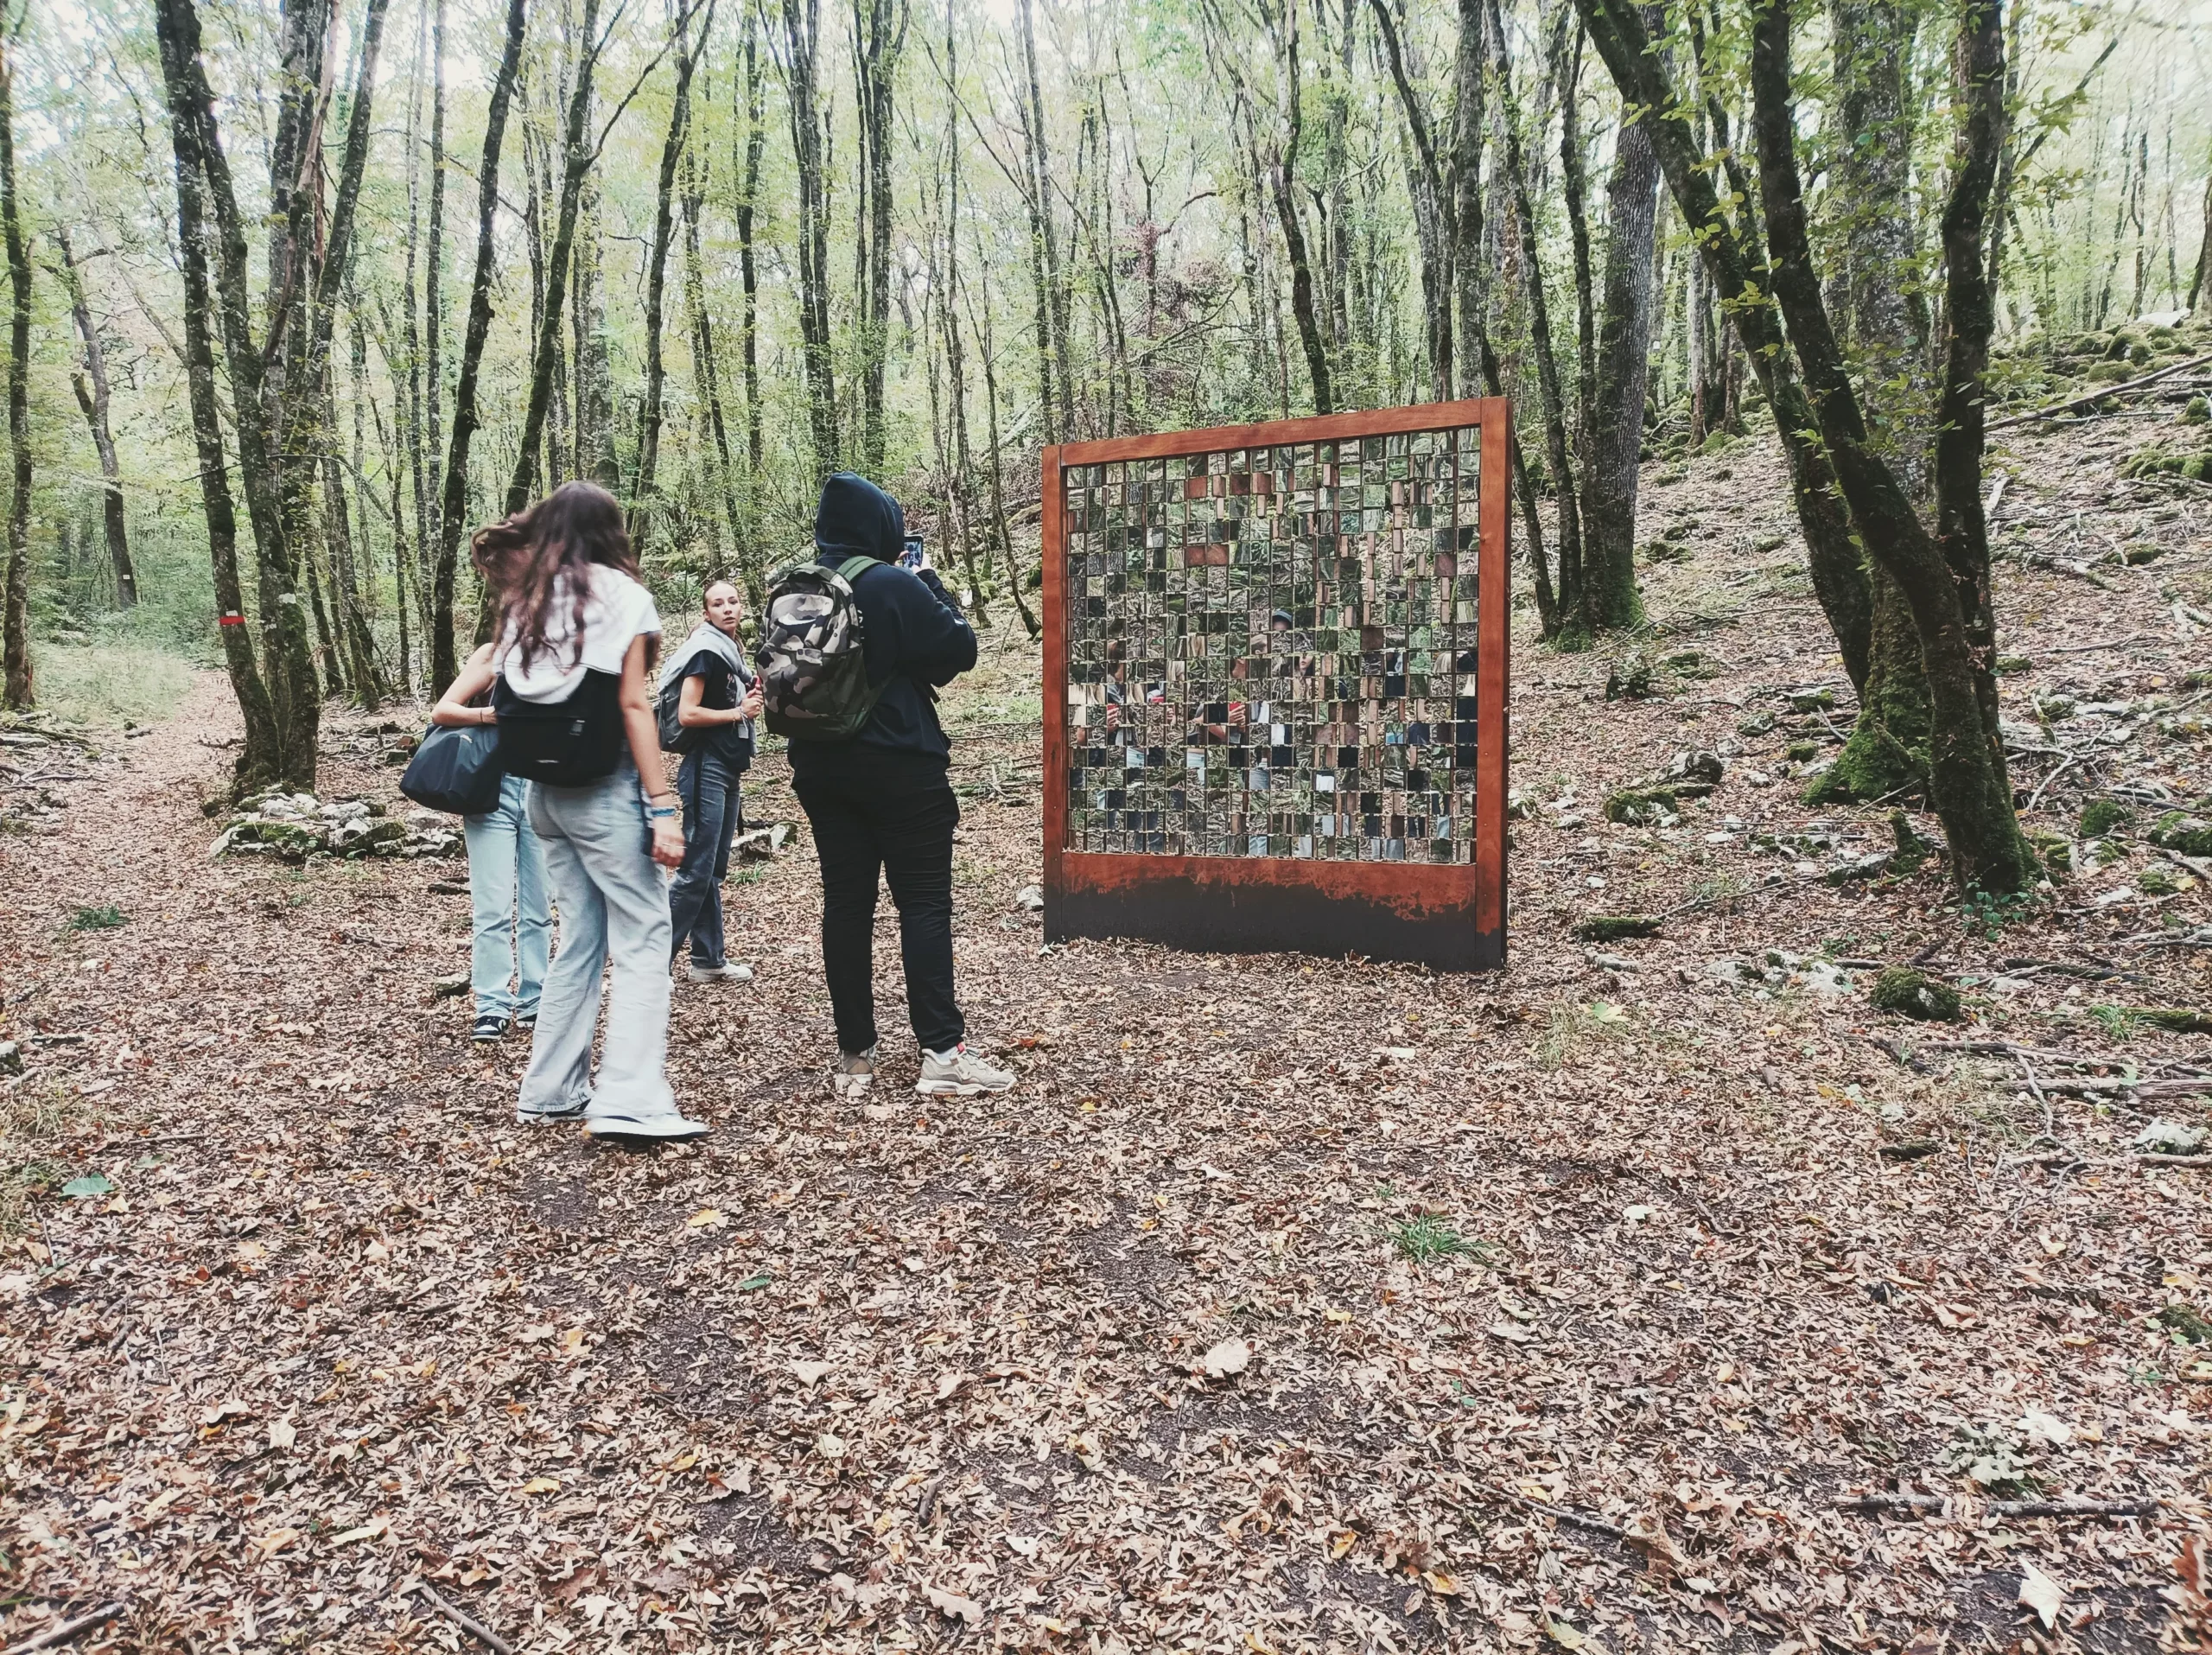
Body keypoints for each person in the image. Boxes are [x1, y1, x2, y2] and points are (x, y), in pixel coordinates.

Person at [474, 481, 705, 1142]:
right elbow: (634, 705)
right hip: (604, 793)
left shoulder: (527, 600)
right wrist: (664, 807)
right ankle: (631, 1098)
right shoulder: (624, 595)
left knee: (578, 940)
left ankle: (550, 1089)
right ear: (613, 531)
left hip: (544, 797)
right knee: (644, 936)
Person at [785, 473, 1014, 1098]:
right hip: (901, 767)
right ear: (880, 525)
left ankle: (855, 1056)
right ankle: (942, 1053)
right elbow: (959, 649)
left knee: (847, 905)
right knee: (923, 904)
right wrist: (928, 578)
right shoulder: (890, 582)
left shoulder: (798, 586)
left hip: (820, 768)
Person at [430, 641, 551, 1043]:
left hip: (542, 792)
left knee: (539, 907)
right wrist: (491, 715)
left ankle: (535, 998)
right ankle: (492, 1005)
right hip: (491, 791)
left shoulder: (559, 657)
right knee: (493, 905)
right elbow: (443, 710)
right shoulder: (493, 655)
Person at [660, 579, 762, 983]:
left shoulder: (732, 652)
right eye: (718, 604)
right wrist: (739, 713)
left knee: (711, 869)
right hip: (706, 767)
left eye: (733, 601)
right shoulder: (706, 651)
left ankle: (707, 960)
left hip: (728, 767)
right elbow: (688, 713)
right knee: (694, 870)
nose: (728, 609)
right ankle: (652, 962)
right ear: (706, 613)